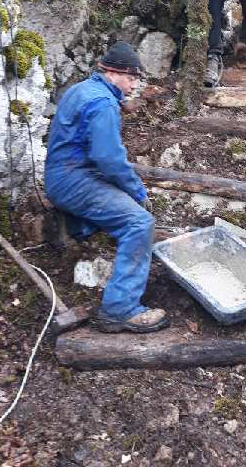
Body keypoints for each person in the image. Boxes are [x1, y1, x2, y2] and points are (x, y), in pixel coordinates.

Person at [44, 41, 169, 334]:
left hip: (60, 176)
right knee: (139, 222)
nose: (134, 85)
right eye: (131, 78)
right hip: (73, 181)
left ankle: (84, 227)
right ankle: (120, 309)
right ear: (113, 73)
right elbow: (108, 159)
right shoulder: (103, 103)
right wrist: (138, 193)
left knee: (120, 199)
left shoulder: (79, 90)